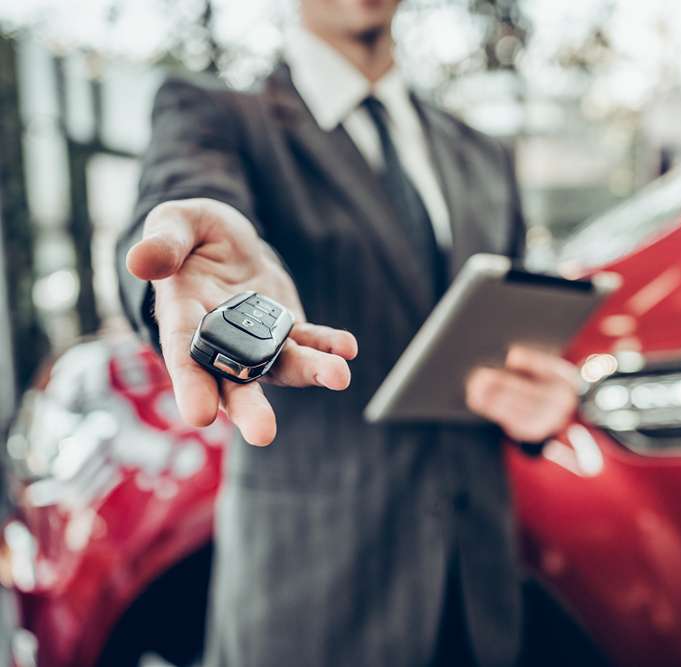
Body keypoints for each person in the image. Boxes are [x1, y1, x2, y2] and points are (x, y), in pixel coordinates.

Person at [115, 0, 581, 665]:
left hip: (478, 596)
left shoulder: (481, 153)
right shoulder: (218, 117)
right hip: (312, 598)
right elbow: (179, 208)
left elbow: (505, 337)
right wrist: (174, 277)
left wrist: (533, 400)